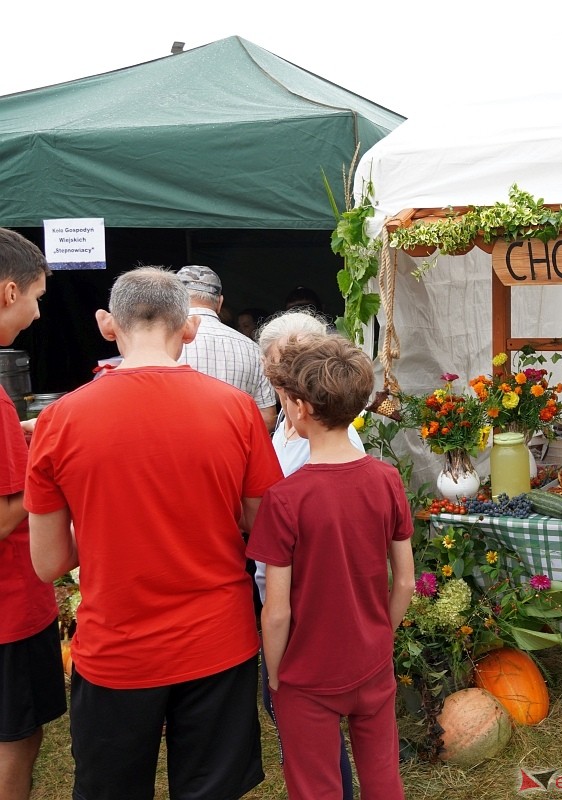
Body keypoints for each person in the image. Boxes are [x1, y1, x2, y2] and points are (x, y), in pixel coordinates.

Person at [27, 267, 283, 800]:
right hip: (218, 641)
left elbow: (49, 563)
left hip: (116, 649)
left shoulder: (59, 420)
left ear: (106, 325)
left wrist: (103, 528)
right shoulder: (237, 411)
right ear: (188, 328)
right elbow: (265, 527)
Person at [247, 333, 414, 799]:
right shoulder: (387, 479)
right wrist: (383, 633)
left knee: (315, 787)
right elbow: (403, 581)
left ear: (299, 407)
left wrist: (276, 673)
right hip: (372, 660)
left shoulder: (285, 499)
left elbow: (276, 610)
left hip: (306, 674)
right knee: (383, 778)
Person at [253, 310, 365, 800]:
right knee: (298, 724)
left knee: (304, 720)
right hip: (283, 598)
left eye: (299, 363)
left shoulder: (335, 443)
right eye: (280, 366)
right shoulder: (286, 427)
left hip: (303, 606)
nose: (288, 377)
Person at [0, 229, 60, 800]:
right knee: (15, 738)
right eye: (35, 298)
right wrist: (46, 470)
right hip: (9, 609)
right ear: (7, 291)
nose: (39, 313)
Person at [176, 265, 277, 430]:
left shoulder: (164, 342)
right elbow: (267, 418)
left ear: (175, 299)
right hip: (235, 452)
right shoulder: (253, 349)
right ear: (220, 302)